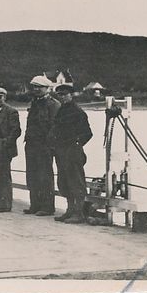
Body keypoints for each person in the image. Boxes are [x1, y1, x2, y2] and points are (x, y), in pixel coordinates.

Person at [53, 82, 93, 224]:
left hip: (73, 151)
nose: (62, 97)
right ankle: (69, 210)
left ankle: (79, 213)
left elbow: (87, 133)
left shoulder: (78, 112)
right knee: (64, 181)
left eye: (64, 94)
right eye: (60, 95)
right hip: (61, 150)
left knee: (76, 181)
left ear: (71, 95)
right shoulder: (61, 111)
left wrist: (77, 144)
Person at [23, 75, 61, 216]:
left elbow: (54, 126)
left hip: (44, 145)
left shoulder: (53, 104)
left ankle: (47, 207)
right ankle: (35, 204)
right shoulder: (35, 103)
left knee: (45, 175)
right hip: (32, 144)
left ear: (47, 89)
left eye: (40, 87)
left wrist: (49, 145)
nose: (36, 89)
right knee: (32, 175)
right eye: (35, 87)